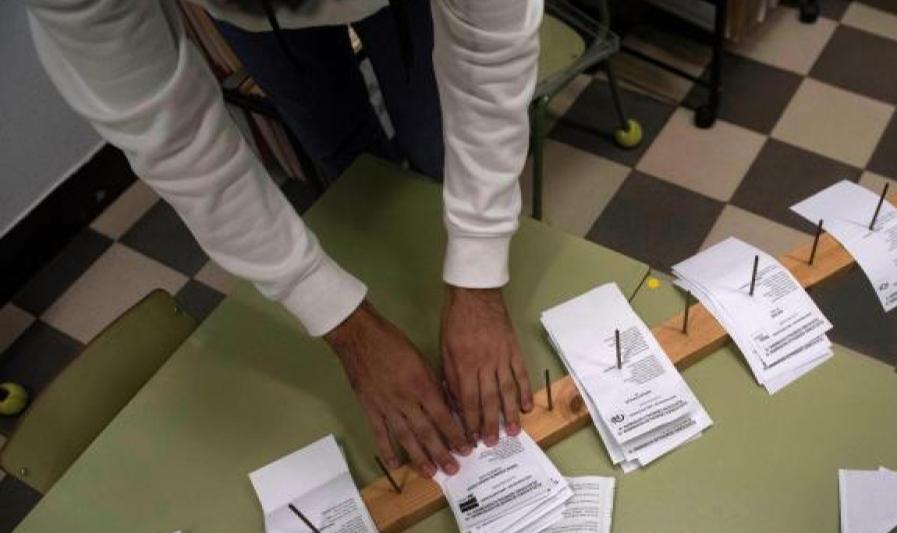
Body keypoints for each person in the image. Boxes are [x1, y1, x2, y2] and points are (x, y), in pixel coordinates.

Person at [23, 0, 541, 478]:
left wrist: (477, 275)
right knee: (348, 161)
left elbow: (489, 59)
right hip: (261, 26)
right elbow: (175, 141)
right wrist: (347, 328)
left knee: (432, 143)